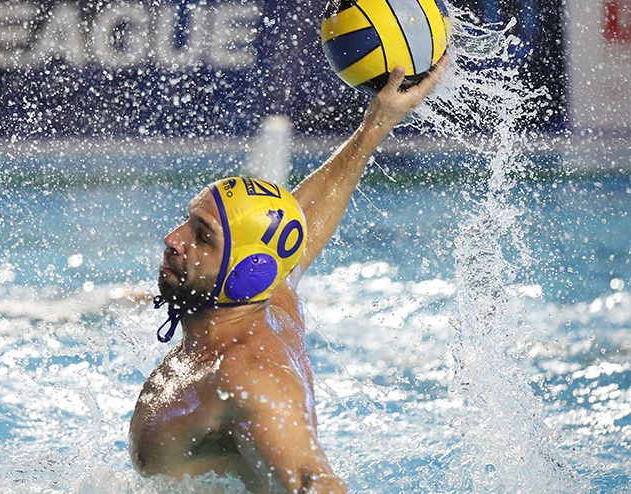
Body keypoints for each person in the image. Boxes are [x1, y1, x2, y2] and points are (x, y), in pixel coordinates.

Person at [129, 58, 449, 493]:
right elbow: (301, 225)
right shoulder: (267, 296)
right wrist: (376, 123)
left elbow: (313, 481)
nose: (173, 239)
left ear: (247, 273)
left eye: (202, 236)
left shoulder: (248, 375)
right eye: (189, 222)